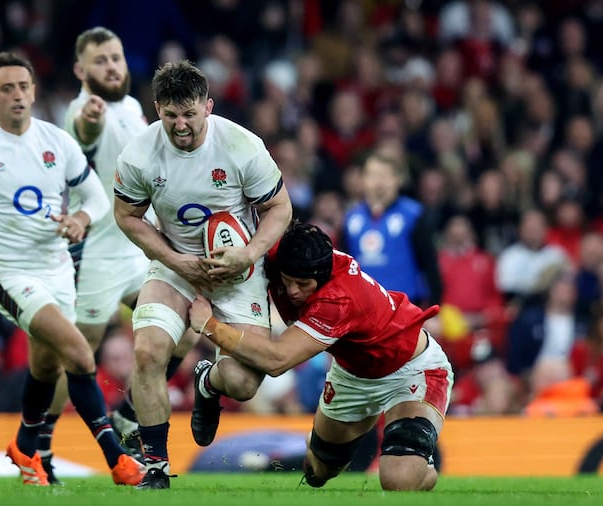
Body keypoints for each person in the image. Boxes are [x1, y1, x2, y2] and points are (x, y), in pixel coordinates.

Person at [0, 52, 145, 487]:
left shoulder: (56, 140)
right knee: (77, 351)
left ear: (34, 91)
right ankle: (118, 460)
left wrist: (81, 220)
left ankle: (24, 448)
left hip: (57, 268)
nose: (17, 95)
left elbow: (95, 197)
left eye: (24, 86)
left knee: (47, 368)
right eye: (8, 88)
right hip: (8, 271)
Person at [113, 60, 293, 488]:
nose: (180, 125)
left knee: (244, 383)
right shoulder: (139, 155)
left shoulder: (241, 145)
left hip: (238, 269)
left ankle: (208, 383)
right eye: (171, 115)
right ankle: (155, 467)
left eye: (189, 114)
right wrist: (174, 260)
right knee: (148, 352)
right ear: (157, 108)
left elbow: (279, 208)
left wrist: (247, 254)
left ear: (207, 106)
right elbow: (127, 215)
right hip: (176, 262)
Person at [39, 27, 200, 483]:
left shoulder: (132, 107)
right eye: (101, 60)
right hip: (96, 256)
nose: (111, 66)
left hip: (139, 248)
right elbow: (83, 136)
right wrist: (89, 120)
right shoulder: (81, 111)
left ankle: (130, 413)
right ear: (80, 71)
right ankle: (40, 444)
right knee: (78, 356)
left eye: (116, 57)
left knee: (185, 327)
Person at [188, 221, 453, 491]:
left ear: (322, 277)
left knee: (398, 481)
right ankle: (381, 452)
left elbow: (277, 361)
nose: (292, 291)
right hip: (353, 374)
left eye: (303, 284)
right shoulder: (286, 254)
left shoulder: (338, 299)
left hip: (412, 369)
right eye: (288, 281)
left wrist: (210, 326)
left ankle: (421, 460)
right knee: (317, 472)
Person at [339, 150, 442, 308]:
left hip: (406, 307)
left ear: (398, 179)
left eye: (385, 176)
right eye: (372, 175)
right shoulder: (350, 219)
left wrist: (436, 306)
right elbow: (343, 269)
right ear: (362, 180)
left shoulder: (415, 215)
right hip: (363, 309)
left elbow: (430, 265)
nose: (379, 183)